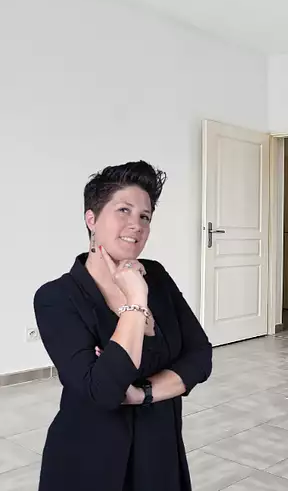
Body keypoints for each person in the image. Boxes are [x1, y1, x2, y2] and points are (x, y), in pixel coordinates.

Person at [33, 160, 213, 491]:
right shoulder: (55, 297)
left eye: (145, 216)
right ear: (91, 219)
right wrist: (136, 301)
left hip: (160, 454)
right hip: (89, 461)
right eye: (124, 210)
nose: (136, 225)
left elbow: (200, 357)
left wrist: (142, 394)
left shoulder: (156, 276)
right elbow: (102, 391)